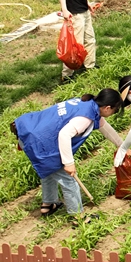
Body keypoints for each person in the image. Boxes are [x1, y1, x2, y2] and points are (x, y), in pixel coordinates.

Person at [13, 89, 125, 217]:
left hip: (29, 129)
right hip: (38, 141)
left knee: (50, 171)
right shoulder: (85, 117)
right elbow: (64, 134)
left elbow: (105, 127)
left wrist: (122, 146)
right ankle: (78, 216)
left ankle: (48, 205)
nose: (113, 113)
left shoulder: (87, 104)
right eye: (115, 111)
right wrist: (68, 163)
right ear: (107, 108)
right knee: (69, 180)